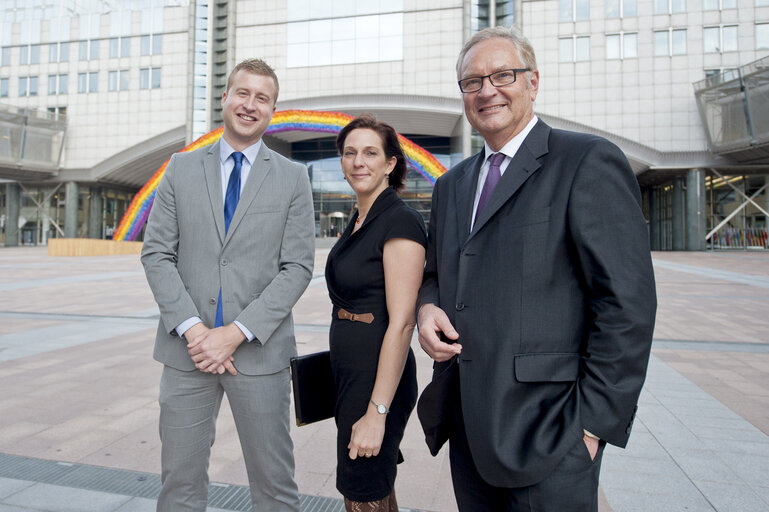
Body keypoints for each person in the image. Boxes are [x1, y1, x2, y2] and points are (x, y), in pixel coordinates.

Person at [416, 26, 657, 511]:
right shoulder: (452, 185)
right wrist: (426, 308)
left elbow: (626, 303)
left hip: (553, 432)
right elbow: (437, 272)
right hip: (469, 424)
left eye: (502, 74)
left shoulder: (586, 161)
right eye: (472, 81)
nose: (487, 90)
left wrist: (591, 427)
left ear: (533, 81)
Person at [141, 58, 315, 512]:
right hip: (186, 355)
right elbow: (157, 253)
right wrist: (196, 331)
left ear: (273, 110)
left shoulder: (294, 178)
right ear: (225, 98)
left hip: (258, 354)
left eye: (262, 98)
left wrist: (235, 332)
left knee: (275, 488)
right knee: (178, 488)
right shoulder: (179, 168)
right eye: (243, 93)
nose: (250, 104)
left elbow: (297, 267)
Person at [325, 115, 427, 512]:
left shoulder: (400, 219)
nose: (358, 161)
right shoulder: (359, 219)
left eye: (370, 152)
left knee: (363, 488)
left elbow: (402, 324)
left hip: (377, 381)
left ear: (390, 164)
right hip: (352, 375)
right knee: (370, 485)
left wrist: (377, 412)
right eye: (349, 153)